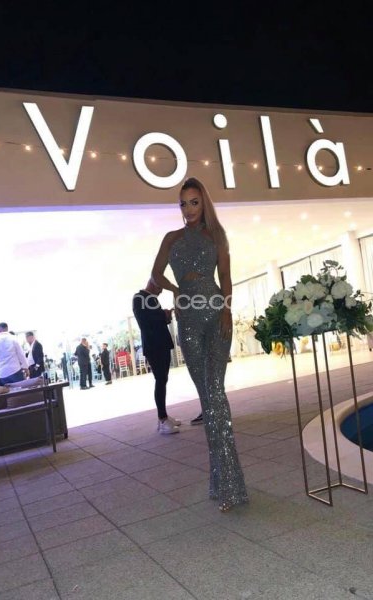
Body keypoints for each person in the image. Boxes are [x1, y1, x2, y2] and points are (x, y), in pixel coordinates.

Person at [151, 177, 248, 511]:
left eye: (194, 202)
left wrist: (227, 311)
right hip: (189, 320)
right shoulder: (171, 238)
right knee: (207, 398)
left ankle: (230, 485)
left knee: (216, 393)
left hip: (216, 315)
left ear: (203, 203)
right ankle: (222, 481)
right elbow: (155, 275)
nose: (188, 209)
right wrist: (176, 290)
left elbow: (226, 277)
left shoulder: (217, 236)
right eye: (183, 203)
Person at [133, 278, 181, 434]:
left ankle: (164, 415)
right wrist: (163, 314)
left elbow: (156, 320)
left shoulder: (151, 299)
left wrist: (165, 317)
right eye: (160, 288)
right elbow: (145, 322)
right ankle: (162, 419)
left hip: (161, 344)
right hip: (154, 346)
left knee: (163, 379)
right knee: (160, 379)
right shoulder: (139, 298)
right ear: (154, 283)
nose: (160, 292)